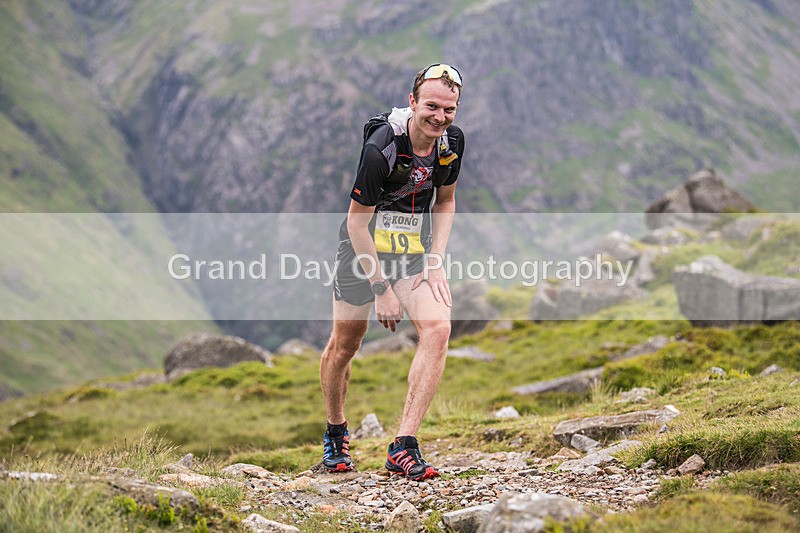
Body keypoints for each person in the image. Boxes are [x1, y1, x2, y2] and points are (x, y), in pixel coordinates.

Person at [319, 64, 465, 481]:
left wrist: (435, 259)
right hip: (362, 249)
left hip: (411, 251)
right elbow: (356, 224)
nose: (440, 117)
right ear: (412, 101)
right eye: (432, 107)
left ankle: (403, 446)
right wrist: (381, 288)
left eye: (449, 109)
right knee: (345, 346)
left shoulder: (451, 143)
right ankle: (335, 432)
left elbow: (445, 202)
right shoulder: (381, 148)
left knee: (437, 329)